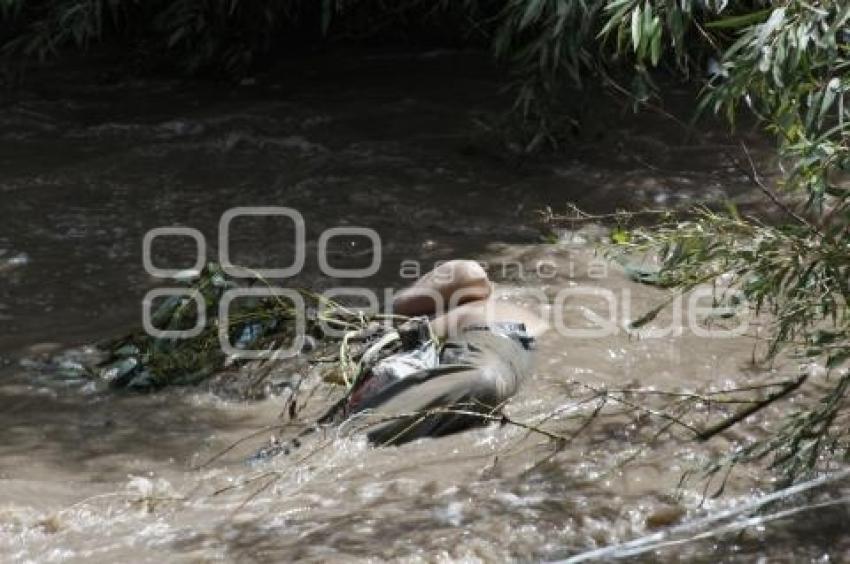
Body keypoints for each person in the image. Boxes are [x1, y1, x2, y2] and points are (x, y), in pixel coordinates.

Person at [328, 260, 547, 446]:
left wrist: (391, 307)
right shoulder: (465, 309)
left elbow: (472, 273)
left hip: (490, 353)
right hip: (499, 359)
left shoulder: (474, 297)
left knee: (346, 436)